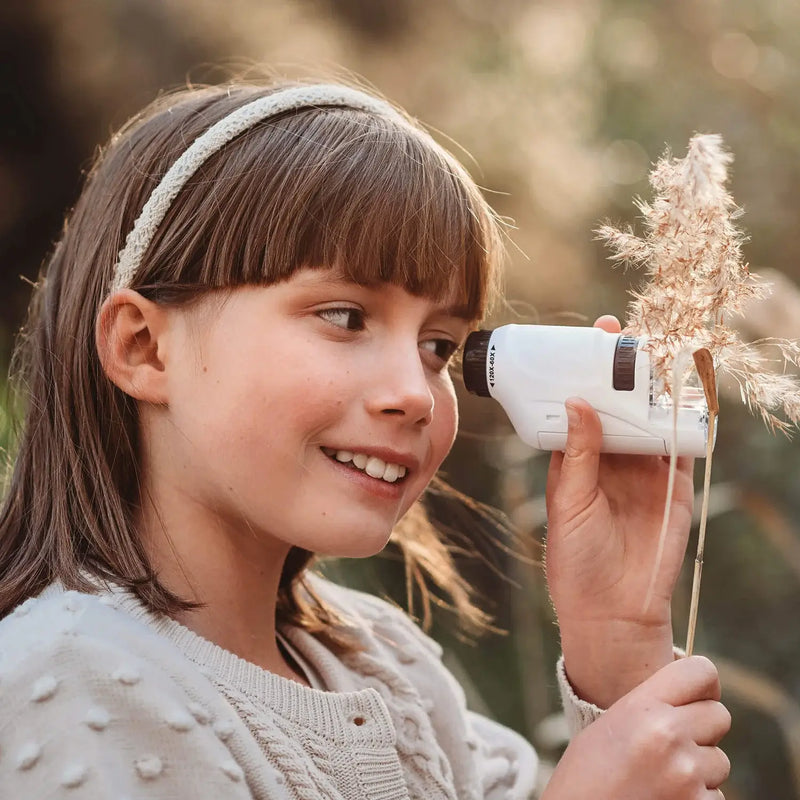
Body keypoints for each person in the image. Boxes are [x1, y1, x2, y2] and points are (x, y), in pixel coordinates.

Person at [0, 80, 730, 799]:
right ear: (144, 348)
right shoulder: (63, 688)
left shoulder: (387, 668)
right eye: (345, 317)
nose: (414, 391)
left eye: (439, 346)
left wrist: (617, 639)